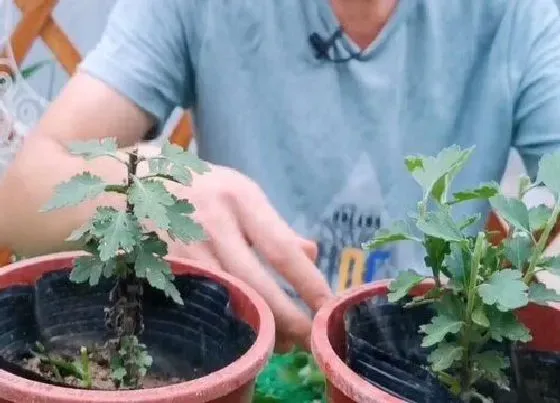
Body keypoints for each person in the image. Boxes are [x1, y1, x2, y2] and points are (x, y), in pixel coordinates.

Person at [2, 0, 560, 353]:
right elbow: (22, 199)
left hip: (430, 364)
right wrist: (146, 185)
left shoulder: (522, 15)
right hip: (242, 354)